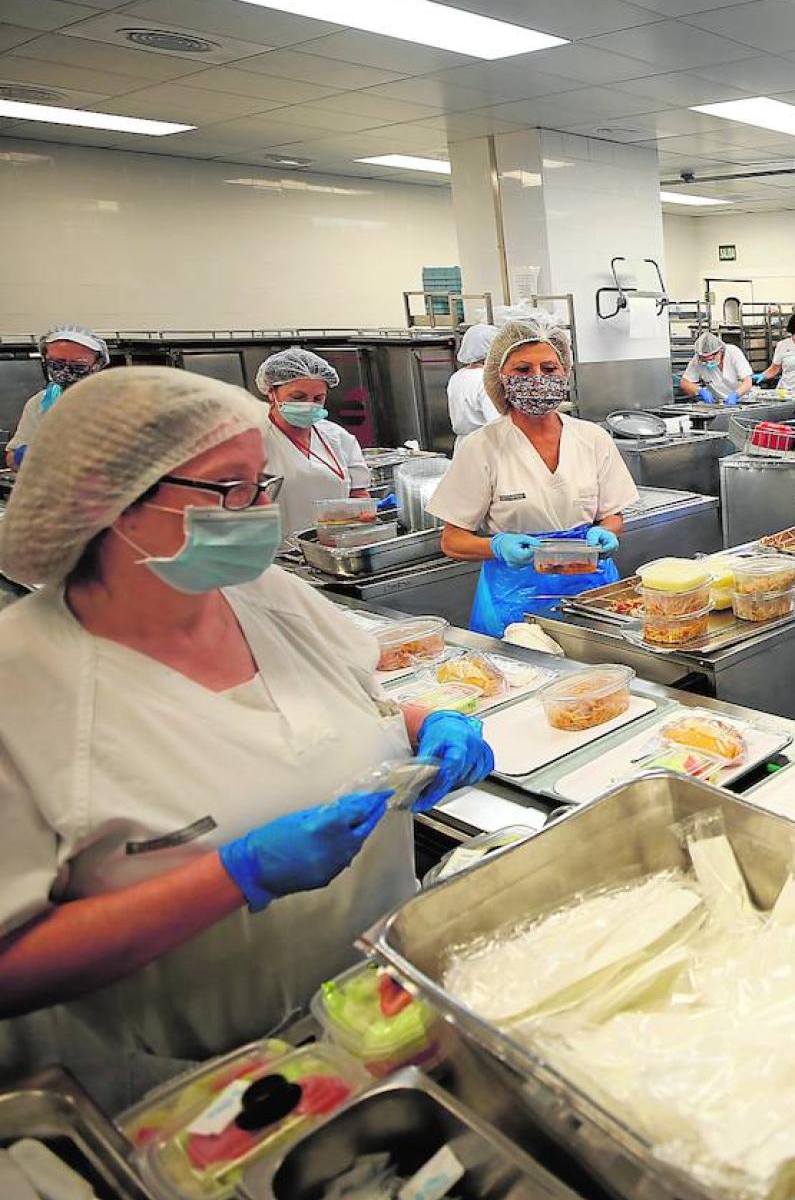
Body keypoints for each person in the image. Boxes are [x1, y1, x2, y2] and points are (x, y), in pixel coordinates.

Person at [0, 367, 494, 1110]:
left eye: (262, 486)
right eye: (229, 491)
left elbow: (354, 699)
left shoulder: (267, 594)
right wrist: (235, 876)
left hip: (388, 1010)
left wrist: (434, 724)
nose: (258, 513)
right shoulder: (25, 685)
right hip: (203, 1082)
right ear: (109, 499)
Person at [428, 318, 637, 636]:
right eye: (523, 370)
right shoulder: (482, 447)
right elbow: (452, 541)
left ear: (565, 372)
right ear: (501, 376)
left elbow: (612, 515)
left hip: (592, 595)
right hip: (516, 602)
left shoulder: (592, 438)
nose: (538, 380)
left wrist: (606, 533)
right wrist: (497, 547)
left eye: (550, 369)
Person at [255, 347, 372, 538]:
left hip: (332, 550)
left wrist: (361, 516)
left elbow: (358, 495)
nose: (309, 404)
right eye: (298, 397)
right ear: (271, 392)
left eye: (318, 399)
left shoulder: (338, 438)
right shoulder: (250, 440)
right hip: (275, 555)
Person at [8, 325, 108, 468]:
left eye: (78, 366)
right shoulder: (41, 402)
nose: (65, 372)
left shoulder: (122, 400)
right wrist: (25, 455)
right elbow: (11, 460)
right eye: (57, 364)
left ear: (97, 365)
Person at [447, 323, 500, 442]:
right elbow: (496, 423)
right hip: (485, 445)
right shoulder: (486, 379)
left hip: (463, 443)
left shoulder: (457, 376)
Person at [680, 330, 752, 406]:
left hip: (742, 400)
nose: (707, 362)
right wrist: (700, 391)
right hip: (717, 403)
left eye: (710, 359)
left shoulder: (733, 352)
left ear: (719, 351)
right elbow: (684, 383)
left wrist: (736, 395)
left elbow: (747, 381)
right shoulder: (698, 359)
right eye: (704, 359)